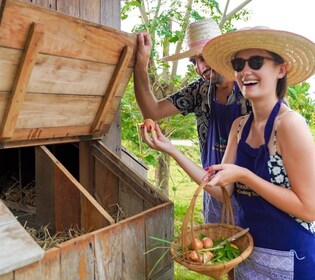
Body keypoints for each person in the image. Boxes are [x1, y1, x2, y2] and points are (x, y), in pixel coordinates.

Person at [141, 26, 315, 279]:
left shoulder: (289, 124)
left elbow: (309, 208)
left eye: (256, 62)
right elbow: (221, 191)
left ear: (281, 69)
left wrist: (244, 175)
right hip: (247, 251)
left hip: (290, 257)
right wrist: (170, 149)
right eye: (238, 63)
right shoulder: (240, 126)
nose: (245, 71)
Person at [134, 18, 251, 225]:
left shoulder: (249, 89)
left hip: (250, 195)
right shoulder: (200, 90)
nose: (200, 68)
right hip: (212, 189)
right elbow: (151, 110)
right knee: (217, 253)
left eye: (203, 58)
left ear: (221, 52)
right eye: (194, 62)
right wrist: (141, 65)